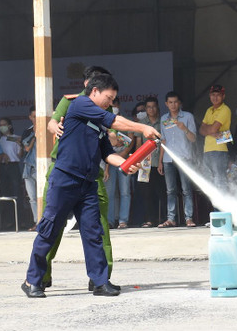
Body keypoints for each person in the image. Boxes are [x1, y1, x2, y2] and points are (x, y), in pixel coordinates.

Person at [22, 74, 160, 298]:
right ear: (94, 91)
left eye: (114, 99)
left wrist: (125, 164)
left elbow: (107, 154)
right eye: (109, 98)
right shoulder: (80, 104)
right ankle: (32, 280)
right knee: (49, 229)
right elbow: (115, 122)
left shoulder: (99, 121)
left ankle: (99, 282)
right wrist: (142, 128)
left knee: (93, 231)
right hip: (64, 179)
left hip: (86, 184)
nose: (111, 103)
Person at [44, 65, 115, 290]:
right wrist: (56, 127)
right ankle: (41, 276)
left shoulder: (106, 106)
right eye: (92, 81)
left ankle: (101, 278)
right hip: (64, 170)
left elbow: (108, 135)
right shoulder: (72, 101)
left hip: (90, 175)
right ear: (87, 85)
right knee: (52, 226)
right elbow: (51, 122)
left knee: (98, 228)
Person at [156, 92, 197, 228]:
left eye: (175, 102)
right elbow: (163, 140)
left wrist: (184, 129)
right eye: (170, 102)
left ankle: (188, 218)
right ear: (166, 104)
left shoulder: (187, 117)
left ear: (179, 103)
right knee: (170, 190)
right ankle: (171, 218)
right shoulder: (163, 119)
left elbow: (193, 139)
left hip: (184, 158)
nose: (173, 105)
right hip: (168, 159)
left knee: (186, 190)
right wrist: (160, 160)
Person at [133, 96, 166, 228]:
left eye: (153, 106)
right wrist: (138, 160)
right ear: (145, 109)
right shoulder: (142, 124)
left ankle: (163, 219)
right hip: (145, 164)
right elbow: (139, 144)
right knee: (146, 193)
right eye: (148, 107)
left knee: (162, 192)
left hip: (159, 162)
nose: (151, 109)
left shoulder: (162, 122)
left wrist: (161, 162)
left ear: (157, 107)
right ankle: (149, 219)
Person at [199, 85, 232, 190]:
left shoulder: (225, 109)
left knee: (220, 181)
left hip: (219, 150)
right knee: (211, 182)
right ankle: (215, 207)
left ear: (223, 96)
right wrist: (211, 131)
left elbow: (211, 129)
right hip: (207, 150)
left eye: (218, 95)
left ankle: (221, 207)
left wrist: (209, 130)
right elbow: (200, 130)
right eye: (213, 95)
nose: (215, 97)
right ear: (209, 96)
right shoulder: (209, 110)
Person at [22, 106, 38, 228]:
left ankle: (47, 222)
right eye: (34, 117)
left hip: (43, 168)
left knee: (46, 196)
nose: (36, 119)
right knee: (32, 198)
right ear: (30, 117)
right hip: (29, 168)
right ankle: (37, 221)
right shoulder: (27, 132)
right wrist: (34, 135)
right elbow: (26, 148)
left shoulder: (50, 130)